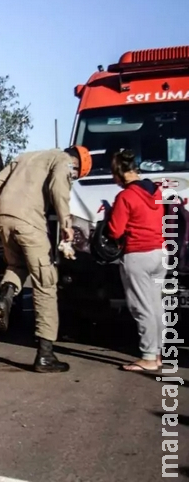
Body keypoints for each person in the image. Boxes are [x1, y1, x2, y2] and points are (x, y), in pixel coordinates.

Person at [0, 145, 92, 373]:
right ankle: (46, 355)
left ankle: (5, 297)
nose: (72, 178)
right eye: (75, 176)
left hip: (4, 217)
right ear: (76, 165)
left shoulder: (26, 156)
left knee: (16, 264)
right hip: (30, 222)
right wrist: (67, 225)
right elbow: (58, 187)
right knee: (46, 283)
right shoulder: (63, 160)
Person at [106, 149, 166, 372]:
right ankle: (158, 353)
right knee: (156, 305)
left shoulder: (125, 197)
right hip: (160, 253)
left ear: (119, 172)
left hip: (137, 255)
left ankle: (148, 357)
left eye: (114, 175)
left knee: (141, 307)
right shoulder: (157, 192)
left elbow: (115, 230)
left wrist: (110, 216)